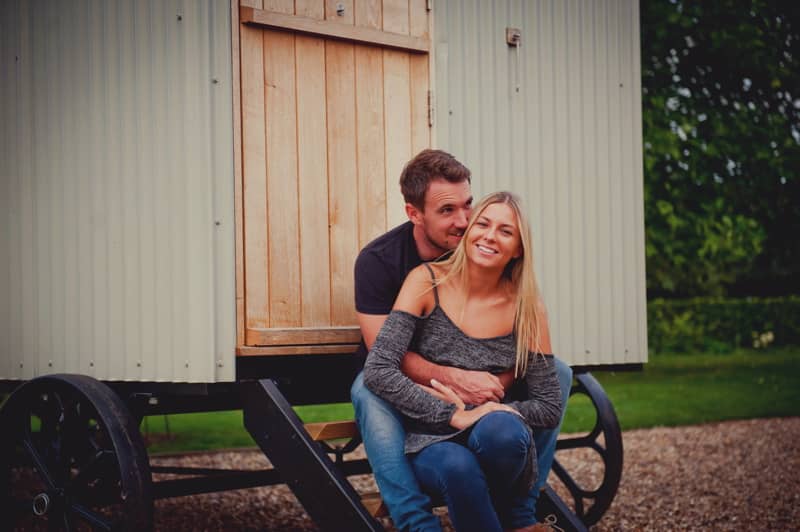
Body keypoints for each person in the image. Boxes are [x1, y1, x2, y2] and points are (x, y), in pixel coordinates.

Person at [350, 150, 573, 531]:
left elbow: (543, 396)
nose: (466, 222)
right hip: (414, 389)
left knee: (558, 374)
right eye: (448, 210)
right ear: (414, 214)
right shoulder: (392, 265)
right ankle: (415, 521)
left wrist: (493, 397)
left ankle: (521, 513)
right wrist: (458, 396)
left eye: (469, 206)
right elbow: (384, 361)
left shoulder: (509, 284)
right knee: (368, 388)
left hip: (485, 401)